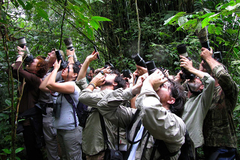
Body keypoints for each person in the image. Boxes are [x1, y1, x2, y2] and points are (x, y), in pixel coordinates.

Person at [96, 69, 187, 159]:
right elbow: (103, 106)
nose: (158, 86)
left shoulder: (176, 124)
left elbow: (150, 109)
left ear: (171, 100)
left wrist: (149, 84)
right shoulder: (137, 116)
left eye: (163, 86)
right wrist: (134, 90)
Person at [75, 51, 127, 160]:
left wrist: (93, 83)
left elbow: (84, 95)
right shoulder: (97, 92)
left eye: (110, 75)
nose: (105, 74)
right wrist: (88, 60)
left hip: (101, 151)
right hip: (91, 148)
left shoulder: (110, 95)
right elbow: (80, 81)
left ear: (115, 83)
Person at [40, 57, 82, 160]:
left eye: (68, 68)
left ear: (75, 74)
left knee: (73, 157)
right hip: (60, 129)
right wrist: (57, 70)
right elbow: (42, 87)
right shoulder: (60, 84)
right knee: (64, 156)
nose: (64, 69)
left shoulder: (72, 86)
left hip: (71, 130)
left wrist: (55, 69)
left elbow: (50, 84)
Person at [200, 48, 239, 159]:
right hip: (207, 147)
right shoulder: (206, 90)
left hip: (224, 147)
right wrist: (201, 69)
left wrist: (209, 58)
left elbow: (223, 76)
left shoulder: (227, 90)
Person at [12, 46, 48, 160]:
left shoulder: (35, 80)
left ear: (38, 69)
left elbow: (17, 69)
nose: (31, 62)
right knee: (29, 147)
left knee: (33, 148)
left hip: (31, 121)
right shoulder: (28, 78)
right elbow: (12, 70)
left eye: (34, 62)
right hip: (26, 119)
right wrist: (22, 59)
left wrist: (20, 55)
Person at [179, 55, 215, 155]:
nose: (194, 78)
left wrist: (191, 69)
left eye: (198, 78)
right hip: (174, 142)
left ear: (202, 86)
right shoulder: (183, 97)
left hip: (189, 144)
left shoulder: (202, 101)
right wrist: (179, 79)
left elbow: (210, 81)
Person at [38, 48, 65, 160]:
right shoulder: (45, 71)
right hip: (45, 112)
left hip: (55, 111)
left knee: (59, 142)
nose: (48, 53)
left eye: (52, 53)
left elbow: (44, 87)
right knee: (50, 144)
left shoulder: (59, 73)